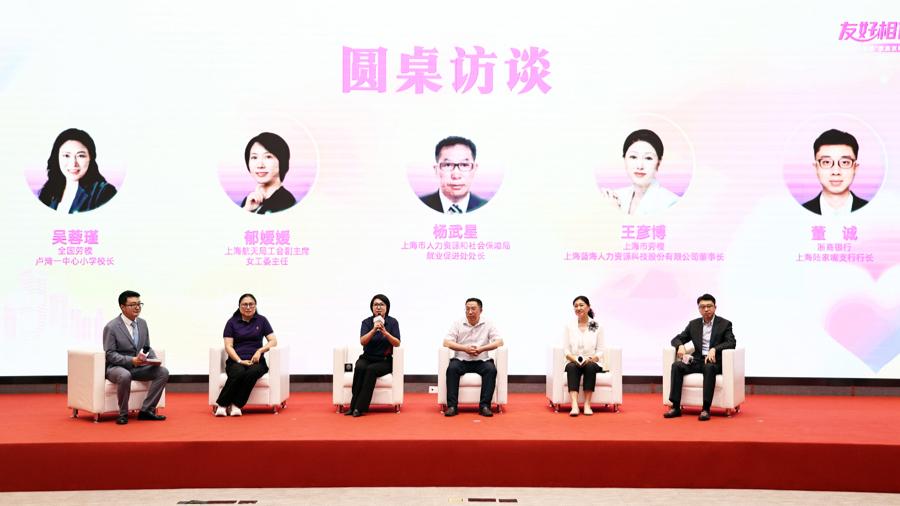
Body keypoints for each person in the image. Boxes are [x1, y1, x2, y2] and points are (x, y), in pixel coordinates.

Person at [663, 293, 736, 421]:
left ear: (715, 307)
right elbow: (676, 339)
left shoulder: (725, 324)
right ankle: (675, 407)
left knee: (709, 367)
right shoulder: (694, 324)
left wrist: (715, 349)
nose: (706, 309)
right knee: (677, 366)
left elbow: (731, 342)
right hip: (697, 360)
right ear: (699, 309)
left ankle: (705, 409)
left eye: (709, 306)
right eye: (702, 307)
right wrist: (680, 346)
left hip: (714, 362)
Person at [102, 290, 169, 425]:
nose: (137, 307)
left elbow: (146, 346)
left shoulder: (142, 323)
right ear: (122, 307)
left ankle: (146, 411)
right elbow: (110, 354)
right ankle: (123, 414)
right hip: (116, 368)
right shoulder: (111, 327)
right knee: (125, 375)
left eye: (139, 304)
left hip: (138, 367)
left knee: (163, 372)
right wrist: (131, 360)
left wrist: (153, 360)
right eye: (133, 304)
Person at [213, 294, 278, 416]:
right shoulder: (232, 322)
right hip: (236, 360)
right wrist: (239, 360)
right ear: (239, 306)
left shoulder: (262, 320)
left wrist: (260, 351)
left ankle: (236, 405)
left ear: (255, 306)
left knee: (252, 373)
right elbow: (228, 346)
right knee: (238, 372)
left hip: (256, 361)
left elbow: (273, 341)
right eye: (245, 304)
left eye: (251, 304)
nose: (248, 307)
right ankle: (222, 405)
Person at [443, 298, 503, 417]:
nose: (470, 312)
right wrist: (464, 348)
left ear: (481, 310)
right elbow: (446, 342)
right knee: (452, 369)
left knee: (491, 370)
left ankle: (484, 406)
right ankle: (452, 406)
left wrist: (481, 349)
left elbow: (499, 342)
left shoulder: (488, 323)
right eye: (467, 309)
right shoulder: (458, 323)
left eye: (473, 309)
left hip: (481, 360)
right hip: (461, 359)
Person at [345, 294, 401, 417]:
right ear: (372, 307)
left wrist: (385, 333)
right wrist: (373, 330)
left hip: (384, 360)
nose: (378, 307)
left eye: (381, 304)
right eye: (375, 305)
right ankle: (352, 405)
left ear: (387, 307)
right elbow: (363, 341)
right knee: (360, 367)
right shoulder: (366, 322)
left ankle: (359, 408)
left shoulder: (392, 322)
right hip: (367, 357)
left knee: (371, 370)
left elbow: (397, 343)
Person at [600, 129, 679, 215]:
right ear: (624, 159)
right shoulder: (615, 197)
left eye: (648, 158)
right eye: (633, 157)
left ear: (658, 163)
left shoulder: (671, 203)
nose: (640, 166)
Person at [38, 128, 117, 213]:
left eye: (81, 156)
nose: (73, 163)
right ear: (57, 158)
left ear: (91, 158)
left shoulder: (104, 192)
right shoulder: (49, 191)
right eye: (66, 155)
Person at [802, 129, 869, 216]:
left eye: (845, 162)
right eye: (827, 162)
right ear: (816, 168)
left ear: (855, 168)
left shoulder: (872, 211)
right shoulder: (800, 213)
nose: (836, 171)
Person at [419, 136, 488, 214]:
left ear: (474, 169)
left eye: (464, 165)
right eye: (448, 165)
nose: (456, 175)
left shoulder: (487, 208)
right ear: (436, 170)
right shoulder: (418, 207)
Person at [562, 296, 605, 417]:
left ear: (588, 307)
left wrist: (591, 359)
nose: (578, 308)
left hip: (591, 360)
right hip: (573, 359)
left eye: (581, 305)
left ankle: (587, 404)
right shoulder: (570, 326)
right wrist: (574, 359)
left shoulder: (595, 325)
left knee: (590, 367)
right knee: (572, 367)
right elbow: (566, 350)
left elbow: (600, 350)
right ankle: (574, 405)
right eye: (575, 306)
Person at [240, 132, 297, 214]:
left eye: (268, 157)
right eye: (254, 157)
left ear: (282, 161)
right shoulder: (249, 201)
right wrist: (246, 210)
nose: (260, 165)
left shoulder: (286, 202)